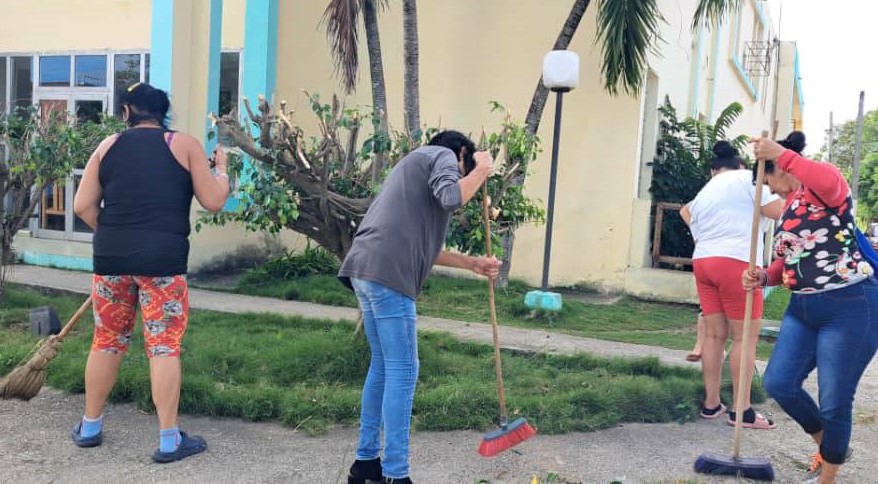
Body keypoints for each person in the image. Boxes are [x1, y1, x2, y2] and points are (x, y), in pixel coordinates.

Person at [71, 82, 231, 463]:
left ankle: (90, 427)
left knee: (107, 340)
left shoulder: (107, 146)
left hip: (111, 260)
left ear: (127, 111)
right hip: (162, 262)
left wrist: (116, 236)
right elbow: (212, 200)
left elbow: (81, 206)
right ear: (163, 113)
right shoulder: (185, 145)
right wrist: (222, 171)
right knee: (163, 345)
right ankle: (169, 440)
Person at [338, 130, 502, 484]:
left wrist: (472, 263)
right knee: (404, 369)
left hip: (364, 267)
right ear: (461, 154)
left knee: (383, 366)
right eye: (463, 169)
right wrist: (482, 169)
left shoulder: (412, 168)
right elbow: (451, 196)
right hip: (389, 272)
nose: (459, 176)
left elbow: (427, 247)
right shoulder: (441, 155)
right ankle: (396, 474)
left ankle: (365, 463)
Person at [744, 131, 877, 483]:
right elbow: (790, 259)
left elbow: (826, 180)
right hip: (802, 308)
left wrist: (781, 153)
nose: (771, 190)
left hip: (849, 305)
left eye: (768, 182)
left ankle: (827, 478)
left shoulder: (824, 185)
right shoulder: (791, 205)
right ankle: (828, 445)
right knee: (779, 382)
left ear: (780, 167)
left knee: (834, 401)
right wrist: (764, 276)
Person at [680, 141, 784, 429]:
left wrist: (702, 235)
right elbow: (780, 211)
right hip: (736, 261)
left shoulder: (710, 186)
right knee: (744, 337)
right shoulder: (752, 178)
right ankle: (742, 411)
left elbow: (685, 211)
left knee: (714, 335)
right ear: (742, 165)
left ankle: (711, 403)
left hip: (704, 261)